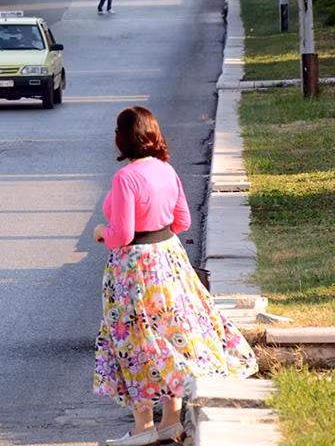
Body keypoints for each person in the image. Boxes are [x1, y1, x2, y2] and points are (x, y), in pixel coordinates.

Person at [92, 107, 258, 446]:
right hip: (169, 259)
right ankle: (170, 421)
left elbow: (122, 234)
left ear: (123, 137)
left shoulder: (126, 177)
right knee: (170, 335)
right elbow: (182, 221)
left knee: (135, 340)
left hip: (134, 268)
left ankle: (142, 428)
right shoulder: (166, 170)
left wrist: (99, 232)